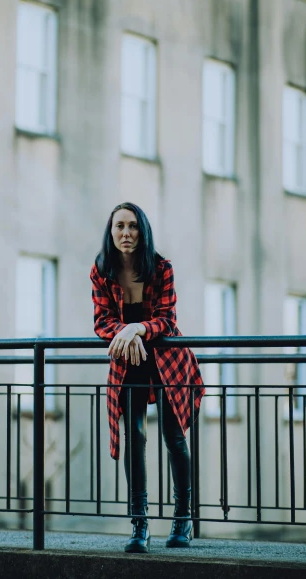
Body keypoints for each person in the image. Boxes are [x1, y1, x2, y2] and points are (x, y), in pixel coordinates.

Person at [90, 202, 205, 553]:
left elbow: (167, 319)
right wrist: (126, 335)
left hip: (168, 358)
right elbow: (101, 322)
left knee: (173, 436)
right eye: (119, 227)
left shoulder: (161, 267)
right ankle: (139, 525)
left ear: (143, 231)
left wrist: (136, 328)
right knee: (134, 436)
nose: (126, 233)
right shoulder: (101, 271)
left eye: (133, 226)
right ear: (110, 233)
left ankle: (182, 521)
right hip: (130, 360)